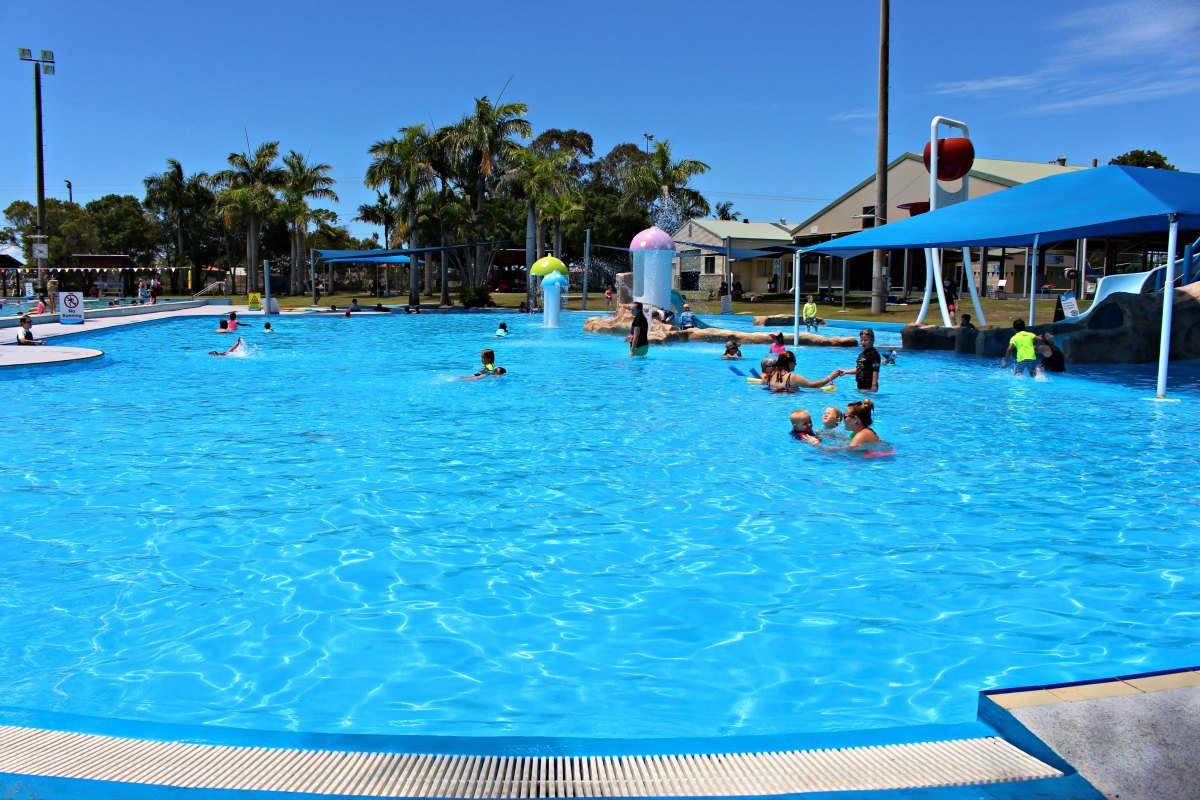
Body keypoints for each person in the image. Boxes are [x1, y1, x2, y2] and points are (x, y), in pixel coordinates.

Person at [767, 350, 840, 393]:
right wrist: (830, 378)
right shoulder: (793, 377)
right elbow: (813, 385)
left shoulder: (770, 375)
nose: (796, 364)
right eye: (794, 362)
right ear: (789, 363)